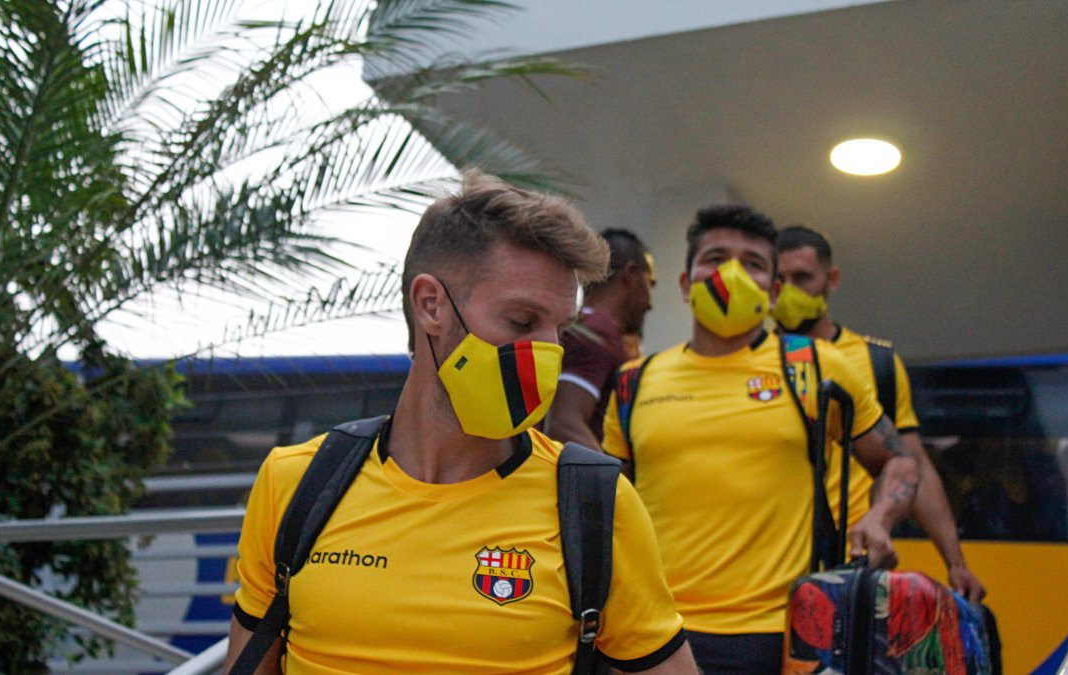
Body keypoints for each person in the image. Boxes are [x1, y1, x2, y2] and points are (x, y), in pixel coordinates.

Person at [225, 172, 697, 673]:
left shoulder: (594, 503)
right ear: (431, 304)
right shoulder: (295, 483)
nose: (549, 352)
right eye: (521, 322)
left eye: (559, 329)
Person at [601, 205, 919, 674]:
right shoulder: (633, 382)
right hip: (649, 633)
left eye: (752, 263)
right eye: (715, 257)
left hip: (776, 637)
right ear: (686, 285)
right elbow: (612, 504)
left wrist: (880, 517)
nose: (731, 272)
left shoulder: (817, 365)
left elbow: (900, 463)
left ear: (773, 292)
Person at [772, 225, 987, 602]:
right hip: (772, 561)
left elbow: (912, 461)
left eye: (802, 277)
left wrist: (955, 562)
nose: (789, 291)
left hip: (855, 561)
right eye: (780, 280)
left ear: (831, 279)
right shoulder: (754, 363)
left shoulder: (876, 363)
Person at [545, 228, 656, 449]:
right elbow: (564, 424)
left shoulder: (583, 327)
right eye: (650, 283)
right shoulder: (597, 333)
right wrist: (615, 481)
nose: (650, 303)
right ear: (630, 275)